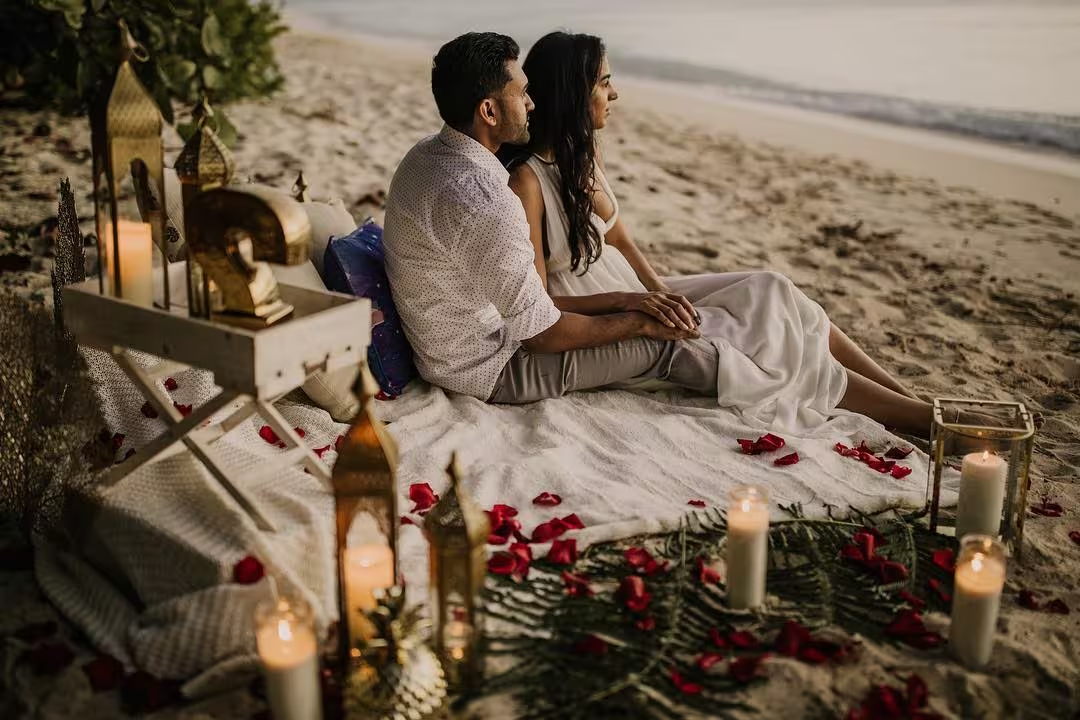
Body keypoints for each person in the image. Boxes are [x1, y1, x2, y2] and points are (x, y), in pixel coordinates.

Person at [381, 32, 930, 436]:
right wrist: (633, 316)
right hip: (489, 368)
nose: (530, 102)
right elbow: (540, 333)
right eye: (520, 93)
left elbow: (601, 248)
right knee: (672, 347)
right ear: (487, 109)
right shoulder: (490, 194)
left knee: (758, 299)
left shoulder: (429, 156)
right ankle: (915, 420)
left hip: (467, 340)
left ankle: (909, 407)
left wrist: (642, 294)